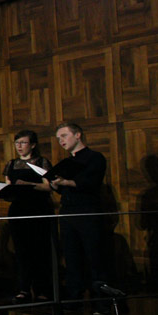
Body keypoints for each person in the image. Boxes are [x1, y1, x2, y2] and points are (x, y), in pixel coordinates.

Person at [50, 122, 109, 305]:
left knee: (94, 256)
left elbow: (90, 183)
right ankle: (74, 296)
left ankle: (102, 299)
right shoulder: (66, 162)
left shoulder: (95, 157)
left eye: (64, 136)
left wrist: (66, 182)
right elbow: (63, 189)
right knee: (71, 255)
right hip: (68, 212)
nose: (61, 141)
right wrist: (55, 184)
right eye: (58, 138)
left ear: (77, 135)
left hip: (87, 212)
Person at [4, 130, 54, 303]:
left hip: (38, 208)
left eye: (23, 143)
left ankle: (43, 289)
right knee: (21, 251)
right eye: (17, 143)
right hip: (18, 209)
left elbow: (49, 187)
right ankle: (23, 288)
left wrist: (29, 185)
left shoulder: (41, 162)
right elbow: (9, 187)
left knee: (40, 250)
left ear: (32, 145)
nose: (19, 146)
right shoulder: (11, 164)